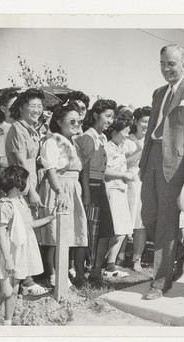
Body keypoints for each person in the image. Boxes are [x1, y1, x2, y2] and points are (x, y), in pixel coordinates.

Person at [140, 44, 184, 300]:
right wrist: (143, 164)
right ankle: (179, 252)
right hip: (151, 161)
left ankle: (160, 283)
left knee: (166, 224)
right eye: (162, 63)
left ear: (183, 63)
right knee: (148, 216)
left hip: (177, 165)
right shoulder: (159, 92)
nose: (166, 69)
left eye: (171, 64)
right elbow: (152, 130)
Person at [0, 165, 56, 325]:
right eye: (27, 181)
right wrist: (8, 259)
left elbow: (28, 225)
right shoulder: (5, 205)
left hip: (20, 251)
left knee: (14, 290)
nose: (29, 184)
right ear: (18, 184)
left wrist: (50, 218)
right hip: (7, 252)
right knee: (6, 291)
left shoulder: (21, 202)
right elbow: (1, 233)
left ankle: (7, 322)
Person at [37, 102, 88, 286]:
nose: (76, 123)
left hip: (73, 187)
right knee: (54, 233)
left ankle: (64, 271)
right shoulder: (52, 141)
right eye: (71, 120)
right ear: (59, 121)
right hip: (58, 186)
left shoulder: (74, 142)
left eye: (78, 120)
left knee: (69, 232)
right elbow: (50, 169)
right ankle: (53, 274)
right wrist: (59, 191)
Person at [5, 88, 49, 296]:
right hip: (20, 185)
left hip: (31, 182)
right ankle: (25, 281)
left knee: (28, 233)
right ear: (21, 107)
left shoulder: (33, 129)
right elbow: (21, 162)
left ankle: (26, 279)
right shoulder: (17, 129)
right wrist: (30, 191)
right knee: (21, 232)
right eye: (32, 105)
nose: (37, 110)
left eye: (39, 106)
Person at [76, 99, 117, 280]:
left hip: (100, 187)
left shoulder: (102, 137)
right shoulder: (87, 137)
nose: (110, 121)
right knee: (88, 231)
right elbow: (83, 169)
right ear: (95, 115)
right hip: (90, 188)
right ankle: (83, 272)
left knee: (106, 231)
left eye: (112, 117)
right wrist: (86, 193)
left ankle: (96, 270)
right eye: (107, 116)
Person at [101, 120, 135, 278]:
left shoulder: (119, 148)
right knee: (116, 230)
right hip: (112, 189)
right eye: (125, 131)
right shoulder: (107, 147)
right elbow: (104, 170)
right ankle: (106, 265)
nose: (127, 135)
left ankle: (110, 264)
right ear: (115, 131)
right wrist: (123, 174)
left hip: (121, 190)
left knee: (122, 230)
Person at [125, 106, 151, 272]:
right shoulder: (127, 139)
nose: (146, 125)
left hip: (145, 183)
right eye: (143, 121)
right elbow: (124, 163)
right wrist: (141, 149)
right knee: (124, 222)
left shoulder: (154, 140)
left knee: (141, 223)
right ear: (135, 121)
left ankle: (136, 259)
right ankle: (116, 258)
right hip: (127, 183)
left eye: (150, 122)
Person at [0, 88, 19, 202]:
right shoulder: (0, 131)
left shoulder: (21, 128)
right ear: (3, 108)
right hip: (6, 187)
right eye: (13, 106)